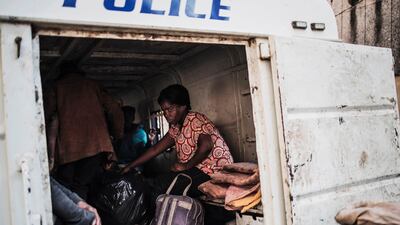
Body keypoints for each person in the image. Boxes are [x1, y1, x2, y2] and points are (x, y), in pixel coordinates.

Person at [122, 84, 234, 207]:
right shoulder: (176, 128)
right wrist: (130, 166)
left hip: (212, 171)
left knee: (160, 185)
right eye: (163, 110)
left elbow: (206, 145)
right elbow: (155, 149)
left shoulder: (195, 119)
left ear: (183, 106)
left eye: (170, 109)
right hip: (196, 170)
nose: (166, 114)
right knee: (158, 182)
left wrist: (186, 166)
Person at [44, 62, 124, 200]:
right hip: (96, 146)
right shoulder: (93, 85)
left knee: (65, 187)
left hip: (67, 150)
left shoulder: (56, 87)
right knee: (82, 185)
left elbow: (47, 115)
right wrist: (117, 136)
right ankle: (85, 217)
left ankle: (70, 217)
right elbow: (114, 110)